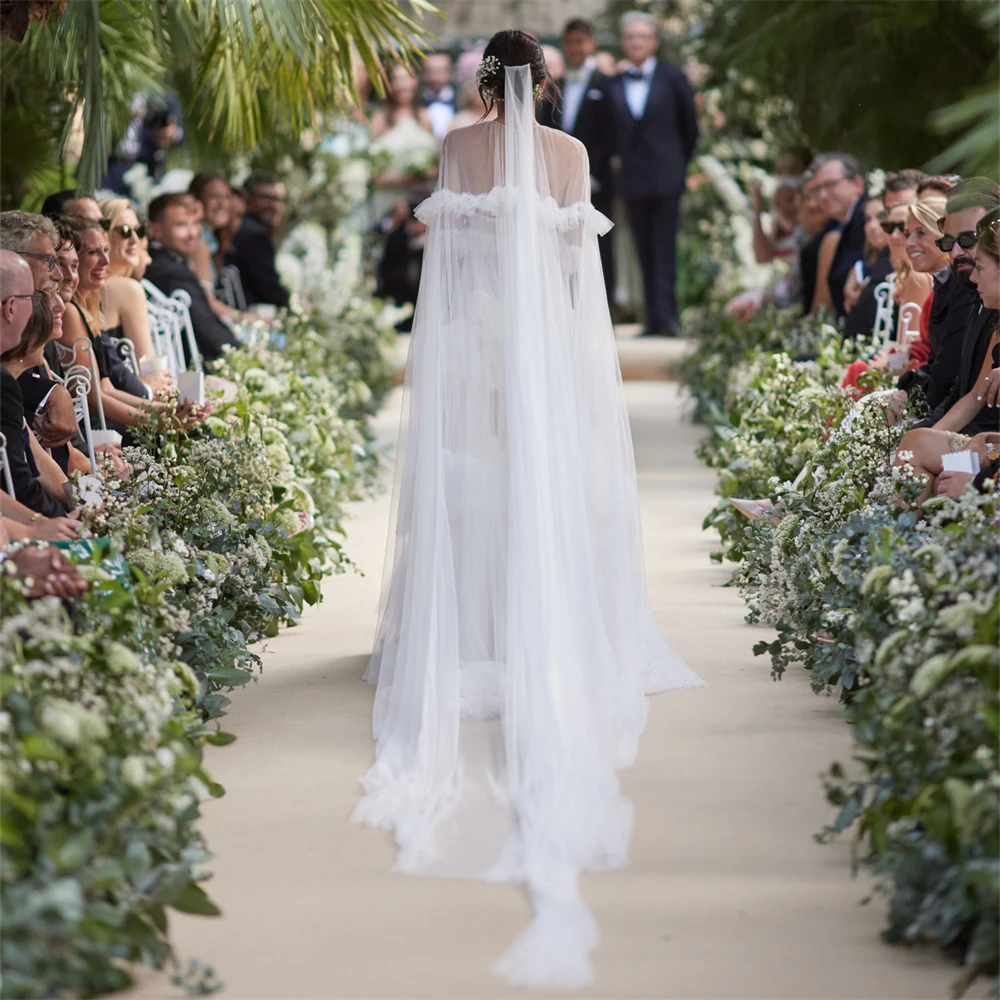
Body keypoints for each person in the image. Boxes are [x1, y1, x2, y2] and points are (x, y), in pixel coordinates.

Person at [353, 32, 703, 991]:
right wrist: (557, 347)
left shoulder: (459, 148)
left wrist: (476, 330)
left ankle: (471, 620)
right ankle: (542, 613)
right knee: (550, 470)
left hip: (473, 332)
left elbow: (449, 261)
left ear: (480, 81)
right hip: (543, 338)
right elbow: (573, 269)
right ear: (544, 81)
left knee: (473, 473)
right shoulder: (570, 155)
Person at [895, 210, 1000, 499]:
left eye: (981, 267)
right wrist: (928, 435)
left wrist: (981, 474)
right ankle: (901, 536)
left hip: (992, 457)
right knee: (914, 445)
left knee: (918, 451)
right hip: (988, 448)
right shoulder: (998, 325)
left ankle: (897, 536)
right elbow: (975, 397)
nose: (973, 276)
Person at [606, 12, 699, 335]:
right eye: (630, 37)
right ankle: (651, 318)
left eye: (642, 36)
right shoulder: (613, 83)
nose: (636, 42)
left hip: (666, 177)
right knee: (642, 250)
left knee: (664, 248)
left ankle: (668, 318)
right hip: (632, 180)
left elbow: (690, 129)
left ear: (654, 42)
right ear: (623, 42)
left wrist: (678, 166)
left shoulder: (673, 79)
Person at [536, 17, 616, 307]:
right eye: (570, 42)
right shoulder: (554, 86)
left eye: (580, 41)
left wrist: (592, 171)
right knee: (560, 244)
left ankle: (599, 307)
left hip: (597, 181)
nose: (575, 48)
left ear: (591, 44)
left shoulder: (607, 85)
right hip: (557, 184)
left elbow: (612, 133)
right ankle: (562, 305)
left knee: (598, 243)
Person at [0, 249, 70, 518]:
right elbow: (17, 484)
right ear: (11, 308)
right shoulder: (6, 385)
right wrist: (57, 525)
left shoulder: (14, 381)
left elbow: (38, 459)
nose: (57, 306)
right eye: (34, 296)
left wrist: (85, 503)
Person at [146, 193, 239, 360]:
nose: (193, 233)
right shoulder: (171, 271)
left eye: (196, 223)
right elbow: (207, 330)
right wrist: (242, 353)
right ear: (157, 230)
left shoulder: (171, 261)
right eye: (182, 225)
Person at [97, 196, 158, 361]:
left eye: (139, 231)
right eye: (124, 231)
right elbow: (147, 364)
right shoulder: (127, 289)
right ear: (103, 235)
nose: (135, 240)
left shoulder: (93, 288)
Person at [806, 152, 866, 317]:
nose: (823, 196)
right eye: (818, 189)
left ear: (857, 184)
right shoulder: (844, 226)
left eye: (831, 184)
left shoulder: (867, 221)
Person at [224, 172, 290, 310]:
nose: (275, 205)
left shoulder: (246, 228)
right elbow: (268, 288)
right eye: (267, 198)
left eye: (280, 200)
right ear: (247, 198)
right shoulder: (254, 234)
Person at [420, 52, 457, 140]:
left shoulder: (462, 100)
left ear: (450, 72)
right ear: (423, 73)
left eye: (441, 71)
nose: (435, 77)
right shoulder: (416, 101)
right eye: (431, 71)